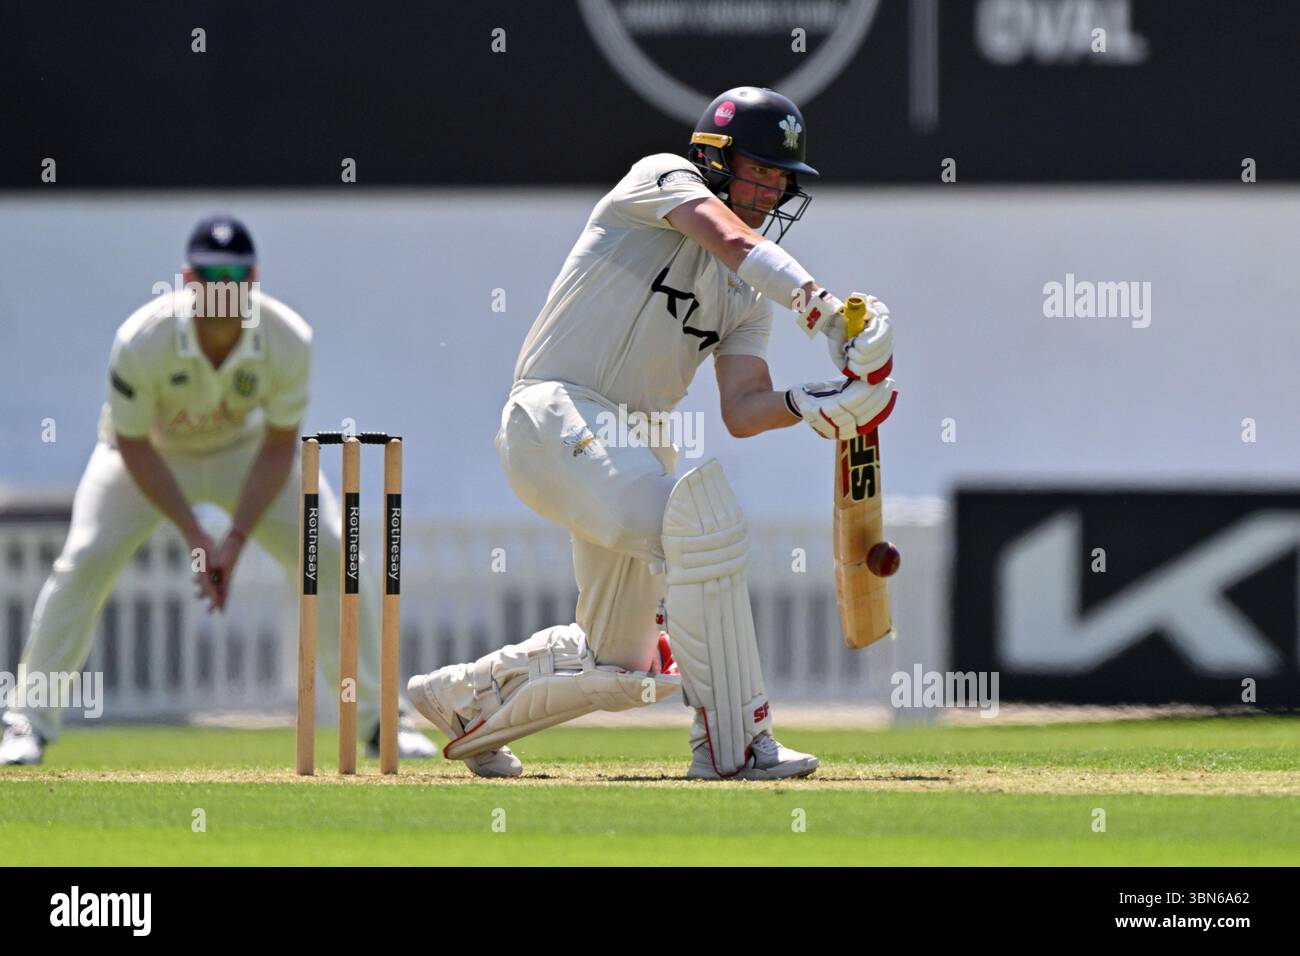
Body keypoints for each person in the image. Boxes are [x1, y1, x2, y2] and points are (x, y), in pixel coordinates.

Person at [407, 86, 897, 780]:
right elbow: (731, 238)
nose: (772, 191)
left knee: (620, 665)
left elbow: (744, 406)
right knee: (702, 528)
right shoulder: (660, 177)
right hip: (554, 416)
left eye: (782, 180)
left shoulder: (744, 294)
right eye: (760, 171)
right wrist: (822, 311)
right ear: (715, 160)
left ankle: (459, 697)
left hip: (630, 446)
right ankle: (736, 746)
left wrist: (817, 403)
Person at [0, 215, 437, 765]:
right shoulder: (142, 340)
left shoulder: (288, 339)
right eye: (211, 275)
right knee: (84, 558)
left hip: (246, 453)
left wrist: (233, 540)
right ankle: (25, 723)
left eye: (235, 274)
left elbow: (281, 445)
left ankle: (379, 722)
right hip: (149, 456)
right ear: (188, 280)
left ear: (252, 279)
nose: (223, 289)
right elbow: (133, 444)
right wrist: (194, 534)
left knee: (331, 548)